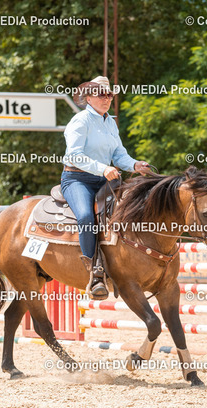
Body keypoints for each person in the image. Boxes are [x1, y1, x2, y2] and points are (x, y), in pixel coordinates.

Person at [61, 76, 150, 300]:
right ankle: (94, 273)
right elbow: (74, 155)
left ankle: (127, 265)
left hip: (104, 179)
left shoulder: (110, 122)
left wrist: (135, 165)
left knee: (132, 208)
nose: (107, 98)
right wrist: (103, 168)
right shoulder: (80, 121)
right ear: (88, 98)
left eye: (109, 94)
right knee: (85, 216)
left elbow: (119, 154)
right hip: (77, 179)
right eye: (101, 94)